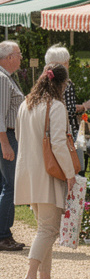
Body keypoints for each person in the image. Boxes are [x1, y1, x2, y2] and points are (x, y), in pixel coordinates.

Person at [14, 64, 78, 279]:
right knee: (49, 229)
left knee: (45, 229)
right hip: (48, 174)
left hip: (27, 174)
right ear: (61, 84)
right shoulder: (56, 106)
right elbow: (59, 144)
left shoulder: (26, 104)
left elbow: (20, 137)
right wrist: (70, 174)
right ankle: (31, 278)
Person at [43, 46, 90, 171]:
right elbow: (70, 110)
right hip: (68, 132)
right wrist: (84, 106)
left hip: (49, 131)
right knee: (77, 168)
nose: (68, 65)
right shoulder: (66, 83)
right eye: (66, 62)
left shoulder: (43, 82)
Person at [0, 41, 26, 253]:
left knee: (5, 185)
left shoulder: (6, 78)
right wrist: (5, 144)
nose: (20, 58)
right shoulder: (2, 79)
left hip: (8, 135)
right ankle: (3, 235)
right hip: (6, 135)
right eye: (18, 54)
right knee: (11, 185)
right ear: (8, 57)